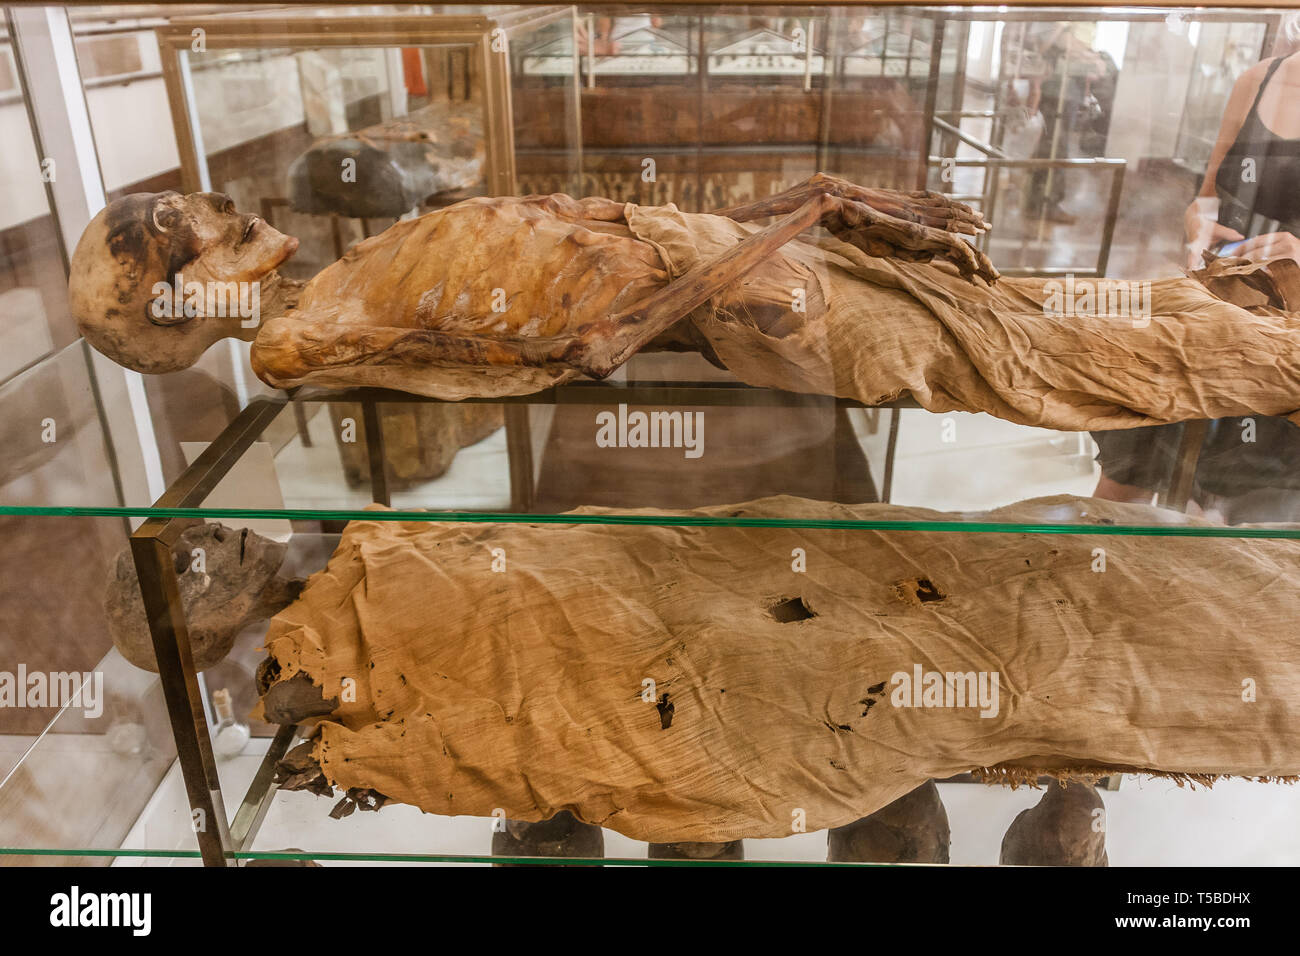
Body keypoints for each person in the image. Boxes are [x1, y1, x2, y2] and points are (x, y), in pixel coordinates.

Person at [1093, 17, 1300, 520]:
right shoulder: (1260, 78)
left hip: (1289, 324)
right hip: (1220, 296)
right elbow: (1206, 196)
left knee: (1245, 501)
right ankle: (1096, 568)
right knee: (1130, 461)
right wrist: (1198, 228)